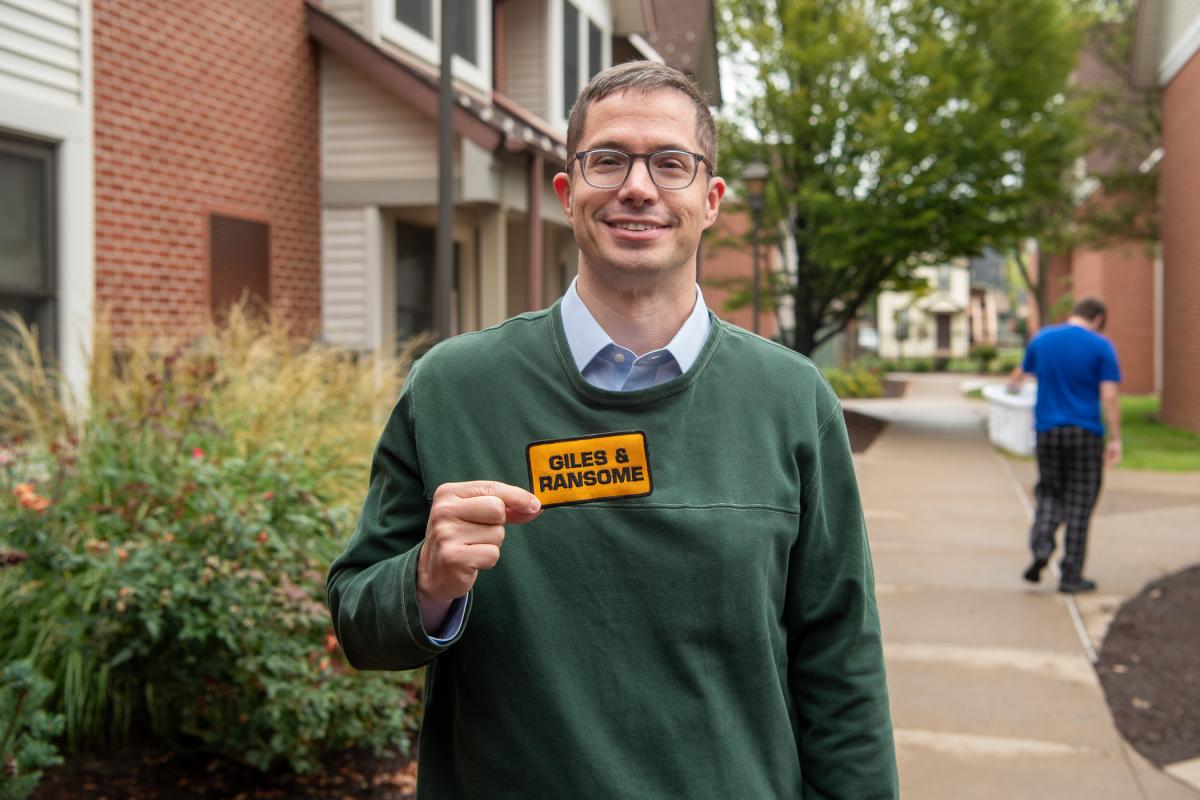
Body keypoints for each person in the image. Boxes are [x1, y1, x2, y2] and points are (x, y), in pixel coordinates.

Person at [327, 61, 898, 799]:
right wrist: (427, 583)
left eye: (670, 164)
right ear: (568, 194)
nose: (638, 187)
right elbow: (357, 617)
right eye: (608, 160)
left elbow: (841, 659)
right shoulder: (454, 389)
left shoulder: (791, 400)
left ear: (711, 199)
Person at [1008, 297, 1122, 594]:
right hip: (1085, 432)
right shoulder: (1100, 346)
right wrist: (1116, 438)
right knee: (1080, 503)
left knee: (1049, 492)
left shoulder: (1043, 339)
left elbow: (1017, 379)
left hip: (1048, 431)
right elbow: (1109, 396)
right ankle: (1071, 574)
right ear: (1098, 318)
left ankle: (1042, 547)